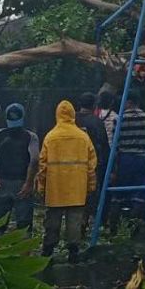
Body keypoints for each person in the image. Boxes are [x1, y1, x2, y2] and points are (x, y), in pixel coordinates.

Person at [37, 101, 97, 262]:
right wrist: (91, 185)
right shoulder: (83, 137)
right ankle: (73, 252)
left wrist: (41, 187)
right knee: (75, 221)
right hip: (77, 188)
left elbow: (42, 165)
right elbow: (91, 165)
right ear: (73, 115)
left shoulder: (51, 136)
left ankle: (48, 251)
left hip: (55, 189)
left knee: (52, 222)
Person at [0, 103, 39, 235]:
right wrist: (29, 183)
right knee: (24, 226)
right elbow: (34, 160)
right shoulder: (31, 136)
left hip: (2, 183)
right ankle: (24, 255)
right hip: (22, 184)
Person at [116, 90, 145, 213]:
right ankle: (137, 213)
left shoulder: (120, 119)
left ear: (129, 102)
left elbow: (116, 141)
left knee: (123, 189)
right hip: (142, 157)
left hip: (125, 158)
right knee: (139, 189)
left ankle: (124, 214)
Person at [75, 93, 110, 229]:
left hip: (71, 163)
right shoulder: (96, 122)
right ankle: (85, 221)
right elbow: (104, 145)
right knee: (90, 195)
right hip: (92, 165)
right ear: (94, 105)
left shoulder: (71, 120)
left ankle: (76, 223)